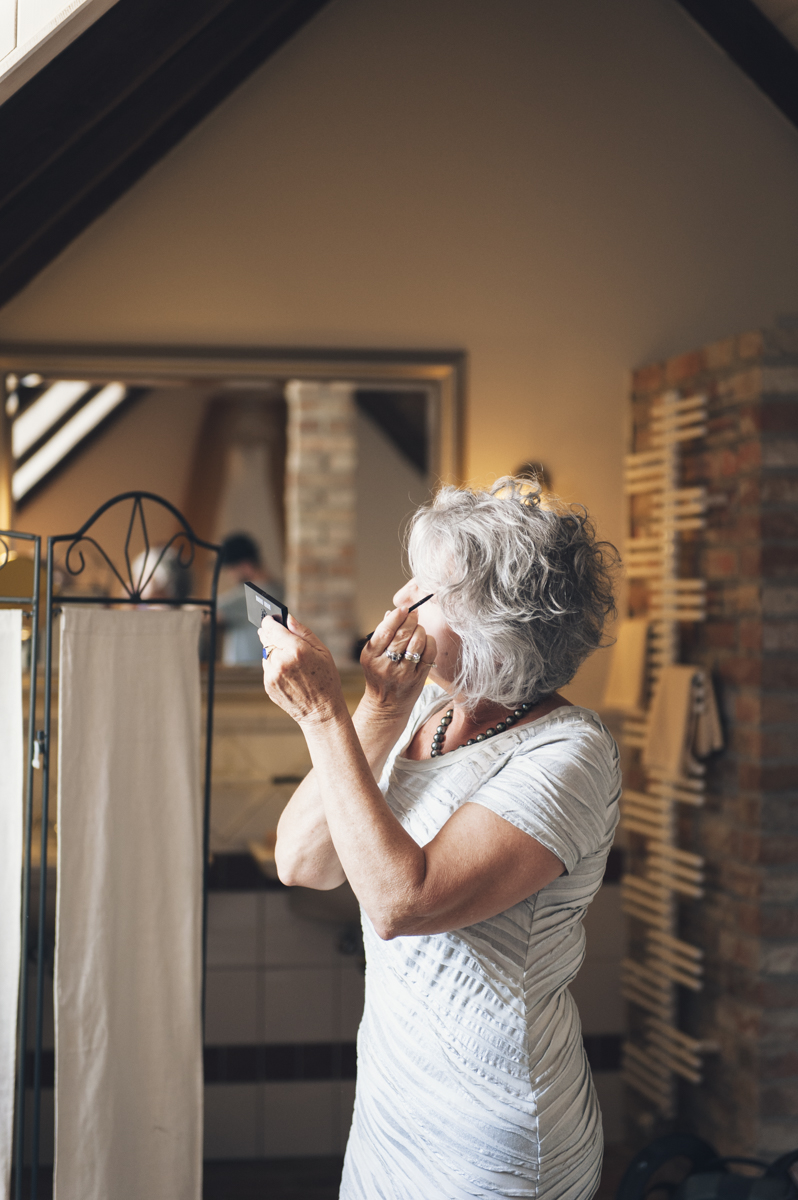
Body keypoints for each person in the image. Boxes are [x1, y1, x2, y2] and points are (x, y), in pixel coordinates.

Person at [258, 477, 621, 1200]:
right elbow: (301, 862)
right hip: (392, 1107)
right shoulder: (424, 703)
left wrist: (325, 718)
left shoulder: (568, 753)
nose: (399, 603)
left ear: (499, 626)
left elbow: (402, 902)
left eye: (428, 591)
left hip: (493, 1128)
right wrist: (374, 710)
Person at [216, 533, 283, 664]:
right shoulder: (279, 590)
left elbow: (207, 613)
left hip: (245, 673)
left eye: (230, 569)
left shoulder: (252, 595)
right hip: (265, 669)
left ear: (245, 565)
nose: (229, 575)